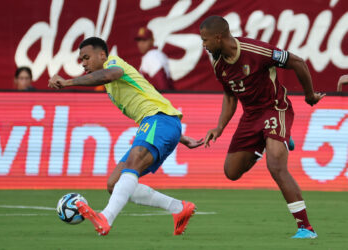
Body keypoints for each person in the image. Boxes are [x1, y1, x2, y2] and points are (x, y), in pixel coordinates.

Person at [48, 37, 203, 236]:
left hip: (160, 120)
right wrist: (181, 137)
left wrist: (68, 82)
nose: (84, 63)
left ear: (102, 55)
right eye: (81, 60)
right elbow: (147, 98)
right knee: (114, 183)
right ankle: (178, 208)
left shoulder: (113, 63)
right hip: (161, 124)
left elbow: (110, 74)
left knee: (133, 164)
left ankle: (106, 217)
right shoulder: (110, 86)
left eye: (86, 57)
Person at [199, 16, 325, 239]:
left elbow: (298, 62)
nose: (204, 45)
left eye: (205, 40)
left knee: (276, 165)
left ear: (218, 37)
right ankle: (275, 140)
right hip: (251, 117)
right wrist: (219, 127)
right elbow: (230, 96)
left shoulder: (256, 51)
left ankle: (306, 228)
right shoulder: (218, 64)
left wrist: (309, 95)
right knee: (231, 172)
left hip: (275, 108)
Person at [135, 27, 174, 91]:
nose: (141, 44)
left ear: (152, 40)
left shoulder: (152, 56)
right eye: (139, 40)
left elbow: (162, 83)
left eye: (144, 40)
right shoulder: (155, 54)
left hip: (158, 98)